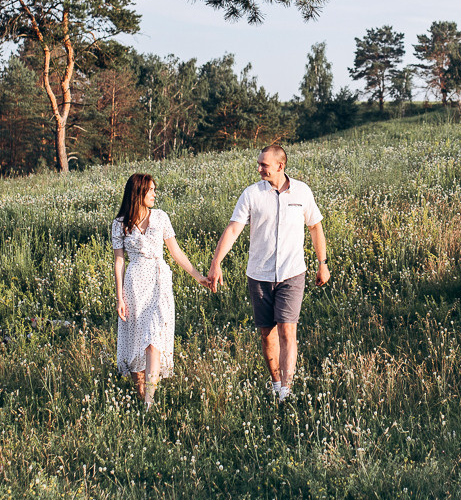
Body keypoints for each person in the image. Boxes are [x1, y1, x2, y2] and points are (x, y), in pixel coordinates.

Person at [206, 144, 329, 402]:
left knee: (287, 330)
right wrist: (216, 262)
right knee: (266, 334)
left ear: (280, 166)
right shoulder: (251, 194)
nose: (259, 168)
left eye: (264, 164)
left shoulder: (302, 192)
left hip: (292, 273)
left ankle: (286, 391)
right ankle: (275, 384)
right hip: (259, 274)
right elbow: (232, 230)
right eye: (259, 163)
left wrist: (322, 262)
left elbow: (315, 227)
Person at [111, 172, 210, 409]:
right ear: (138, 193)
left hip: (159, 282)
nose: (155, 194)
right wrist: (119, 298)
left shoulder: (162, 217)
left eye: (155, 189)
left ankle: (149, 402)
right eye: (151, 190)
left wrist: (198, 277)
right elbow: (119, 262)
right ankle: (141, 394)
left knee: (154, 339)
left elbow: (176, 252)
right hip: (134, 285)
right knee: (136, 341)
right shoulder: (120, 223)